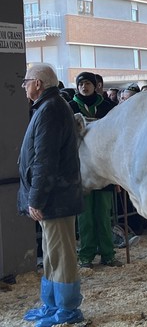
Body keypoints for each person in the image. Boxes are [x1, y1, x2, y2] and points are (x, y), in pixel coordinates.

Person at [18, 62, 84, 326]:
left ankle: (68, 310)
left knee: (62, 254)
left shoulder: (50, 109)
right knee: (51, 252)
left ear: (37, 83)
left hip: (56, 197)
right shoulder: (48, 107)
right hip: (54, 197)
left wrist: (36, 198)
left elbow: (45, 160)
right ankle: (52, 304)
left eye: (25, 81)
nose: (23, 86)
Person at [68, 72, 122, 268]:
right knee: (85, 217)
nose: (84, 87)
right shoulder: (70, 107)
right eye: (81, 84)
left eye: (88, 83)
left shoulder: (108, 107)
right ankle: (86, 255)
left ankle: (108, 254)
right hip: (81, 169)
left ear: (96, 85)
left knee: (104, 214)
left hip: (104, 167)